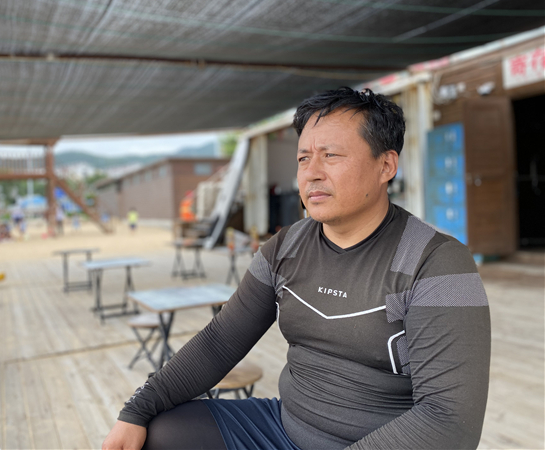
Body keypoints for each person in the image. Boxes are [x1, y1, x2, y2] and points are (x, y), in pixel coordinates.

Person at [103, 88, 491, 450]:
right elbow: (221, 340)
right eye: (304, 158)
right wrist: (136, 409)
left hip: (377, 440)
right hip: (283, 427)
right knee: (160, 432)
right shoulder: (286, 246)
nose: (311, 173)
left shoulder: (436, 262)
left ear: (386, 165)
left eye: (331, 155)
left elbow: (448, 421)